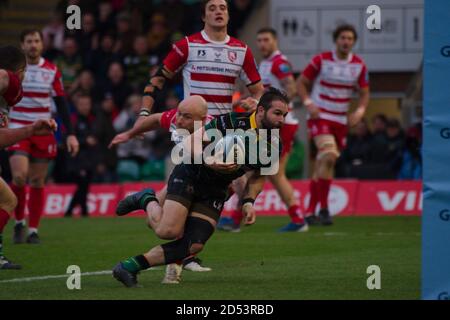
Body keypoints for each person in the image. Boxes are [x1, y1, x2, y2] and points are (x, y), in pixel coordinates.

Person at [111, 88, 287, 287]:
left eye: (285, 115)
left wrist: (248, 201)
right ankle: (146, 198)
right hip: (191, 175)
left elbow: (259, 176)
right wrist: (209, 160)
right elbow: (191, 142)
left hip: (217, 190)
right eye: (278, 114)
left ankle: (128, 267)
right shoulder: (231, 121)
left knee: (194, 245)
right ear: (261, 111)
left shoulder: (275, 145)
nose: (282, 120)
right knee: (167, 231)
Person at [110, 95, 214, 281]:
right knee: (167, 231)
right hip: (186, 175)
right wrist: (130, 133)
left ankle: (166, 271)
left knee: (192, 241)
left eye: (186, 117)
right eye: (179, 114)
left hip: (211, 186)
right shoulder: (177, 119)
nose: (179, 119)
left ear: (203, 120)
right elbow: (156, 119)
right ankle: (146, 199)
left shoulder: (214, 132)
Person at [217, 27, 306, 232]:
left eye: (266, 39)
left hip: (281, 127)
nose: (262, 44)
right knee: (258, 169)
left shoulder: (279, 63)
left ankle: (296, 219)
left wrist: (273, 114)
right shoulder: (265, 64)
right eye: (259, 40)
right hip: (269, 125)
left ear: (275, 41)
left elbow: (291, 90)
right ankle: (237, 217)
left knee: (266, 171)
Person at [8, 30, 79, 245]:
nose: (33, 45)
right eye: (28, 41)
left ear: (42, 44)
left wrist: (71, 134)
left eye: (36, 41)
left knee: (38, 180)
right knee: (19, 176)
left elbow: (61, 103)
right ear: (22, 45)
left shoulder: (51, 70)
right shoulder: (13, 70)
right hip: (18, 129)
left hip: (44, 131)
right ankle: (19, 221)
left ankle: (33, 230)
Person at [298, 24, 370, 225]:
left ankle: (311, 211)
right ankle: (325, 208)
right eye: (343, 38)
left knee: (323, 163)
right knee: (329, 155)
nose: (346, 41)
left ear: (353, 42)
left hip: (340, 120)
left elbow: (364, 93)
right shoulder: (321, 60)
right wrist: (308, 103)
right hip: (320, 116)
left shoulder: (359, 65)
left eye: (349, 38)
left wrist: (360, 111)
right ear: (336, 40)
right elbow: (301, 82)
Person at [0, 45, 58, 268]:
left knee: (8, 200)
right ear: (21, 70)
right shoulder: (10, 79)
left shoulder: (6, 103)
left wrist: (31, 130)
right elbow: (3, 75)